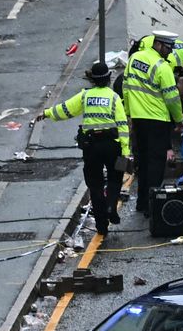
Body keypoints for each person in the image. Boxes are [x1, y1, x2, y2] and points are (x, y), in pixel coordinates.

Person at [36, 60, 130, 236]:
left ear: (92, 80)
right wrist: (125, 151)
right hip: (112, 146)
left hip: (91, 146)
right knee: (115, 178)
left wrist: (47, 113)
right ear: (109, 79)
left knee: (95, 184)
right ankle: (111, 207)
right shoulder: (114, 98)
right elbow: (123, 125)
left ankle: (101, 225)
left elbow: (66, 109)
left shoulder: (85, 96)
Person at [122, 34, 183, 219]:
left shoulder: (134, 59)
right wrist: (179, 120)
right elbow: (172, 98)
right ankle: (152, 204)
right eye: (168, 48)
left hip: (139, 119)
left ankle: (141, 202)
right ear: (158, 45)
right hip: (157, 120)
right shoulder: (161, 67)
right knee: (156, 164)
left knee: (143, 161)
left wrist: (128, 113)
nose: (170, 51)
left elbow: (126, 87)